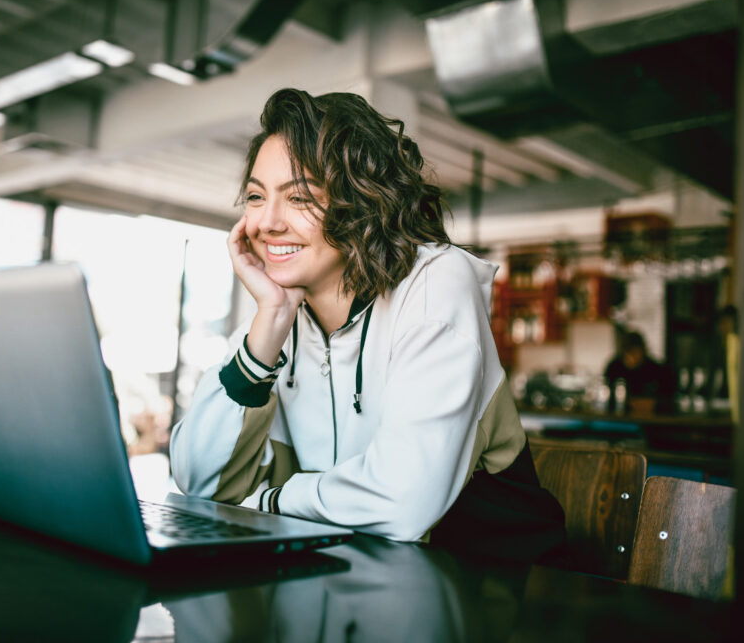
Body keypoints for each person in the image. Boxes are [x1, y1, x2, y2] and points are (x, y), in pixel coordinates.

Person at [169, 88, 564, 561]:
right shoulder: (283, 312)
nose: (266, 222)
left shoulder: (436, 283)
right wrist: (269, 322)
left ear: (361, 203)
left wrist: (271, 501)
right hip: (349, 578)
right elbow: (198, 483)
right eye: (256, 196)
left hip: (491, 592)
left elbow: (404, 502)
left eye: (299, 197)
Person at [604, 330, 677, 414]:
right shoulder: (614, 368)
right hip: (619, 419)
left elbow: (670, 399)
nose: (632, 358)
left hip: (650, 420)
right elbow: (605, 396)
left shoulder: (657, 370)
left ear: (643, 351)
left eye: (635, 352)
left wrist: (653, 403)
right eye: (628, 353)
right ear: (622, 353)